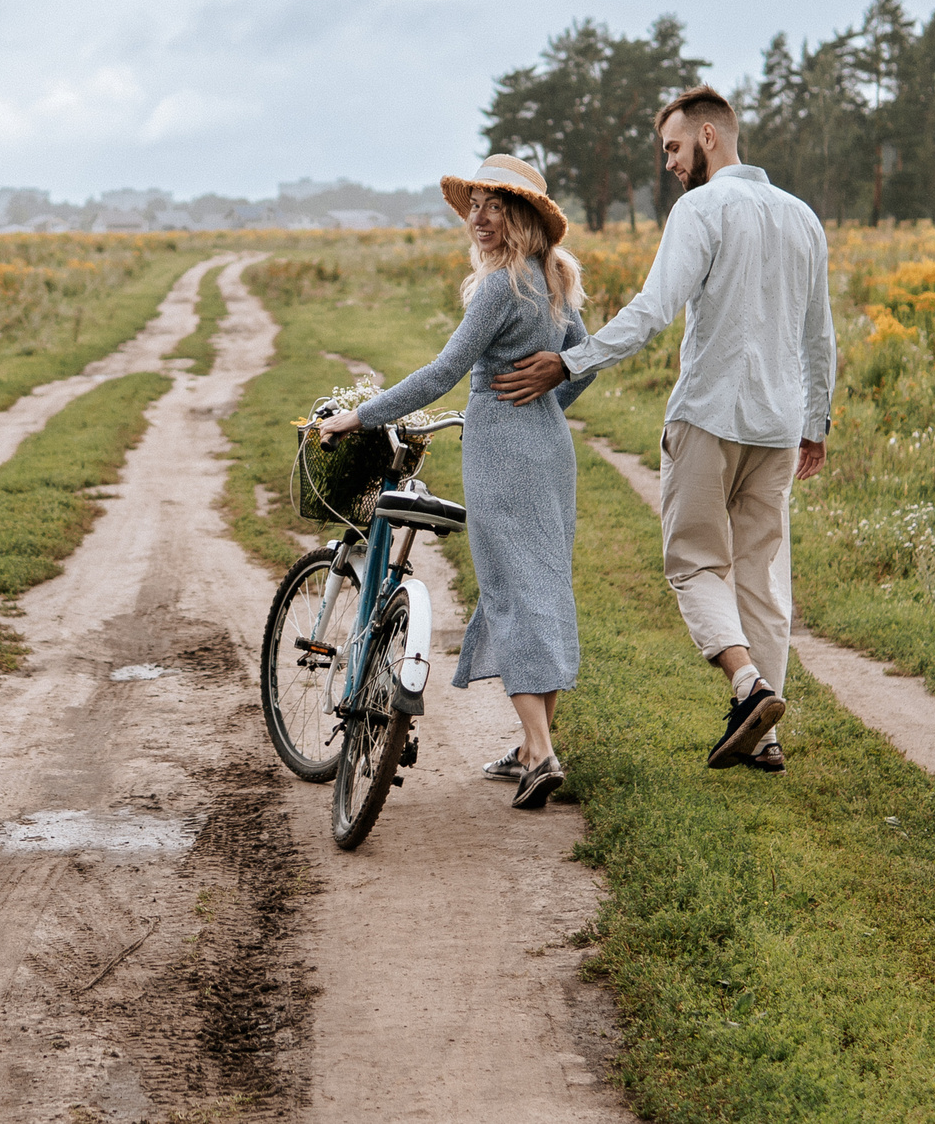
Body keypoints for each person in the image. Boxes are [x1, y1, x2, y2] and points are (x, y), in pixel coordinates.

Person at [494, 85, 834, 773]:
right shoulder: (805, 219)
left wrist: (570, 361)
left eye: (674, 148)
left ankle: (748, 686)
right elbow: (817, 334)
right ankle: (764, 737)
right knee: (764, 579)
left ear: (709, 136)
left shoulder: (702, 209)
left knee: (694, 563)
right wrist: (815, 422)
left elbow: (653, 309)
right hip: (775, 428)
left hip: (708, 416)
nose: (670, 164)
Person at [316, 152, 597, 811]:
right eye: (475, 203)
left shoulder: (503, 284)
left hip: (501, 451)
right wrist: (549, 399)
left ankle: (542, 750)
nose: (479, 215)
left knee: (509, 593)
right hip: (551, 450)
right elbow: (582, 363)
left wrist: (361, 414)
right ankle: (533, 748)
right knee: (544, 591)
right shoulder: (554, 277)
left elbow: (443, 373)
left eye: (494, 204)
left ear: (522, 215)